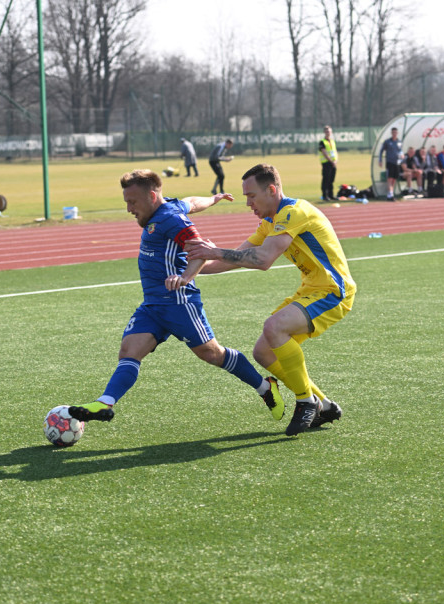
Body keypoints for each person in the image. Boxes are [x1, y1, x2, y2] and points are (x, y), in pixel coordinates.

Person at [68, 169, 285, 427]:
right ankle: (105, 402)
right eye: (126, 201)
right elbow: (191, 202)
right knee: (129, 350)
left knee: (212, 354)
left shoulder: (171, 220)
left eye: (133, 202)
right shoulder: (169, 206)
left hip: (179, 302)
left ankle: (265, 387)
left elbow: (201, 251)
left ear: (151, 196)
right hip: (153, 305)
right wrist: (213, 198)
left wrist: (185, 278)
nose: (129, 209)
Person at [187, 163, 356, 437]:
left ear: (272, 190)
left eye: (252, 196)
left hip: (333, 291)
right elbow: (235, 258)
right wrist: (189, 268)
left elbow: (262, 260)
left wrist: (214, 251)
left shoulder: (293, 212)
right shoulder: (270, 222)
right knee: (263, 352)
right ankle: (322, 405)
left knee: (274, 327)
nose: (248, 203)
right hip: (311, 290)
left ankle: (305, 402)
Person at [379, 127, 402, 201]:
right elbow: (381, 151)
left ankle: (390, 194)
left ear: (397, 133)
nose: (394, 134)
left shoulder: (399, 142)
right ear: (391, 133)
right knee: (390, 178)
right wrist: (380, 160)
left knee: (394, 179)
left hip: (397, 163)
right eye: (393, 132)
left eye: (395, 132)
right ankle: (391, 194)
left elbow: (400, 151)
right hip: (390, 162)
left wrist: (402, 155)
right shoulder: (387, 142)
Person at [318, 125, 339, 201]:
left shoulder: (332, 141)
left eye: (329, 131)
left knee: (331, 180)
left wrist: (336, 160)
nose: (328, 133)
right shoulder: (322, 142)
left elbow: (335, 151)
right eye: (326, 131)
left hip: (333, 163)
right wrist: (331, 161)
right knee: (326, 180)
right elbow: (324, 153)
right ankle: (325, 195)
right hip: (326, 163)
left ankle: (331, 195)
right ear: (324, 132)